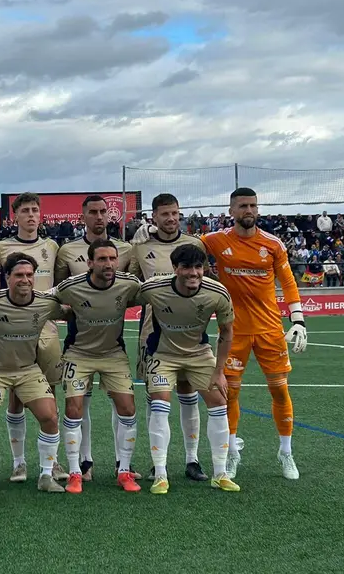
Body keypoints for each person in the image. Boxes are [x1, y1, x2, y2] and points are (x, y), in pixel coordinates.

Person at [132, 187, 307, 479]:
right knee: (225, 393)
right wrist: (149, 232)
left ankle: (285, 452)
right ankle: (229, 454)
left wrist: (298, 318)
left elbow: (288, 281)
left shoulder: (272, 244)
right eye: (242, 206)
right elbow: (177, 246)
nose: (248, 211)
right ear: (231, 211)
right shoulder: (212, 240)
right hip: (226, 330)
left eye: (252, 206)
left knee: (278, 389)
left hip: (268, 329)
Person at [136, 244, 240, 494]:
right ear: (175, 268)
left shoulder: (217, 292)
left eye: (198, 267)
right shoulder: (153, 288)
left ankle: (220, 473)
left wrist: (219, 372)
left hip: (198, 354)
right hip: (163, 355)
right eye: (186, 267)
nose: (193, 273)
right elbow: (122, 297)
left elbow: (227, 332)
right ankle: (160, 474)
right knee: (160, 404)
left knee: (219, 402)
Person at [126, 193, 209, 482]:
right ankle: (157, 463)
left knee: (188, 394)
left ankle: (192, 460)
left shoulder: (195, 245)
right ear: (154, 217)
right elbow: (131, 284)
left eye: (175, 213)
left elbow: (205, 282)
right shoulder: (140, 248)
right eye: (165, 214)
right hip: (153, 333)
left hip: (190, 333)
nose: (171, 218)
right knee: (155, 397)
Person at [0, 253, 67, 496]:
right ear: (7, 277)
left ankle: (46, 476)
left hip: (28, 370)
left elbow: (71, 312)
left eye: (29, 275)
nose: (25, 280)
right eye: (19, 275)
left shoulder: (46, 303)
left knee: (50, 417)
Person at [51, 239, 143, 494]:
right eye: (102, 259)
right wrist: (64, 312)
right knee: (74, 408)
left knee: (128, 409)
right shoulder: (71, 286)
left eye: (112, 258)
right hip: (78, 353)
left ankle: (124, 471)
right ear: (90, 263)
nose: (108, 264)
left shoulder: (129, 284)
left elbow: (150, 294)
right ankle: (75, 473)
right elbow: (47, 299)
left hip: (113, 353)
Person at [0, 193, 66, 483]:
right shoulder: (0, 248)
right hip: (12, 329)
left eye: (35, 210)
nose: (31, 215)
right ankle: (18, 462)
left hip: (46, 328)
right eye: (25, 210)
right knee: (16, 392)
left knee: (50, 391)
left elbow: (58, 282)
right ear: (15, 216)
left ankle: (53, 461)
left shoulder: (52, 247)